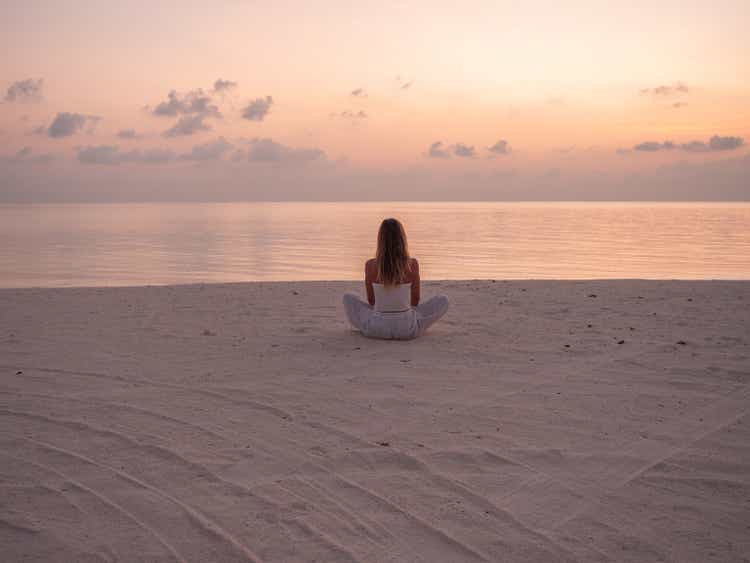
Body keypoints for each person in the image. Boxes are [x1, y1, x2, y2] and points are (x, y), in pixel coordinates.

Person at [343, 218, 449, 339]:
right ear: (402, 239)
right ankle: (406, 319)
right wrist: (400, 309)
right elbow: (415, 301)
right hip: (407, 328)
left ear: (380, 240)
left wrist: (386, 309)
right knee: (442, 300)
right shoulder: (412, 264)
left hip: (376, 328)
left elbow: (372, 301)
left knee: (348, 298)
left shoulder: (370, 265)